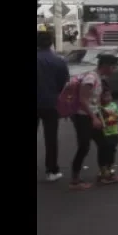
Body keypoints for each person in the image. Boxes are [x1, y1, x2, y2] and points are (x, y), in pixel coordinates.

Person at [69, 54, 118, 190]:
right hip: (83, 117)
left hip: (92, 115)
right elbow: (83, 99)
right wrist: (94, 117)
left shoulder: (98, 78)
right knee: (84, 147)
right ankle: (75, 180)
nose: (114, 71)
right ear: (106, 66)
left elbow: (93, 100)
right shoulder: (90, 78)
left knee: (103, 144)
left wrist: (102, 106)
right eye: (113, 67)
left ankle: (104, 175)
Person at [37, 30, 69, 182]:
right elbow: (64, 86)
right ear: (51, 43)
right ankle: (51, 170)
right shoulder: (59, 61)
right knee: (51, 138)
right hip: (51, 103)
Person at [97, 86, 118, 181]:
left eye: (109, 95)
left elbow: (117, 115)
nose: (107, 98)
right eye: (104, 96)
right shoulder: (99, 108)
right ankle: (103, 169)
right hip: (104, 133)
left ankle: (110, 168)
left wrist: (115, 118)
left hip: (114, 132)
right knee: (104, 151)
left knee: (112, 150)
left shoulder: (114, 105)